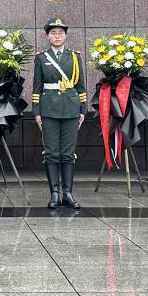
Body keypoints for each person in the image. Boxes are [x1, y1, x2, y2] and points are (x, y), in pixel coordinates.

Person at [32, 18, 87, 209]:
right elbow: (37, 87)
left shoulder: (74, 57)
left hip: (71, 108)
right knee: (51, 153)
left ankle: (68, 194)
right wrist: (37, 112)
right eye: (53, 33)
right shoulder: (41, 58)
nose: (57, 36)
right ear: (47, 36)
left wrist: (83, 109)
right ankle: (55, 194)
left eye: (61, 33)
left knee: (68, 153)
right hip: (49, 110)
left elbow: (80, 86)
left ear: (65, 36)